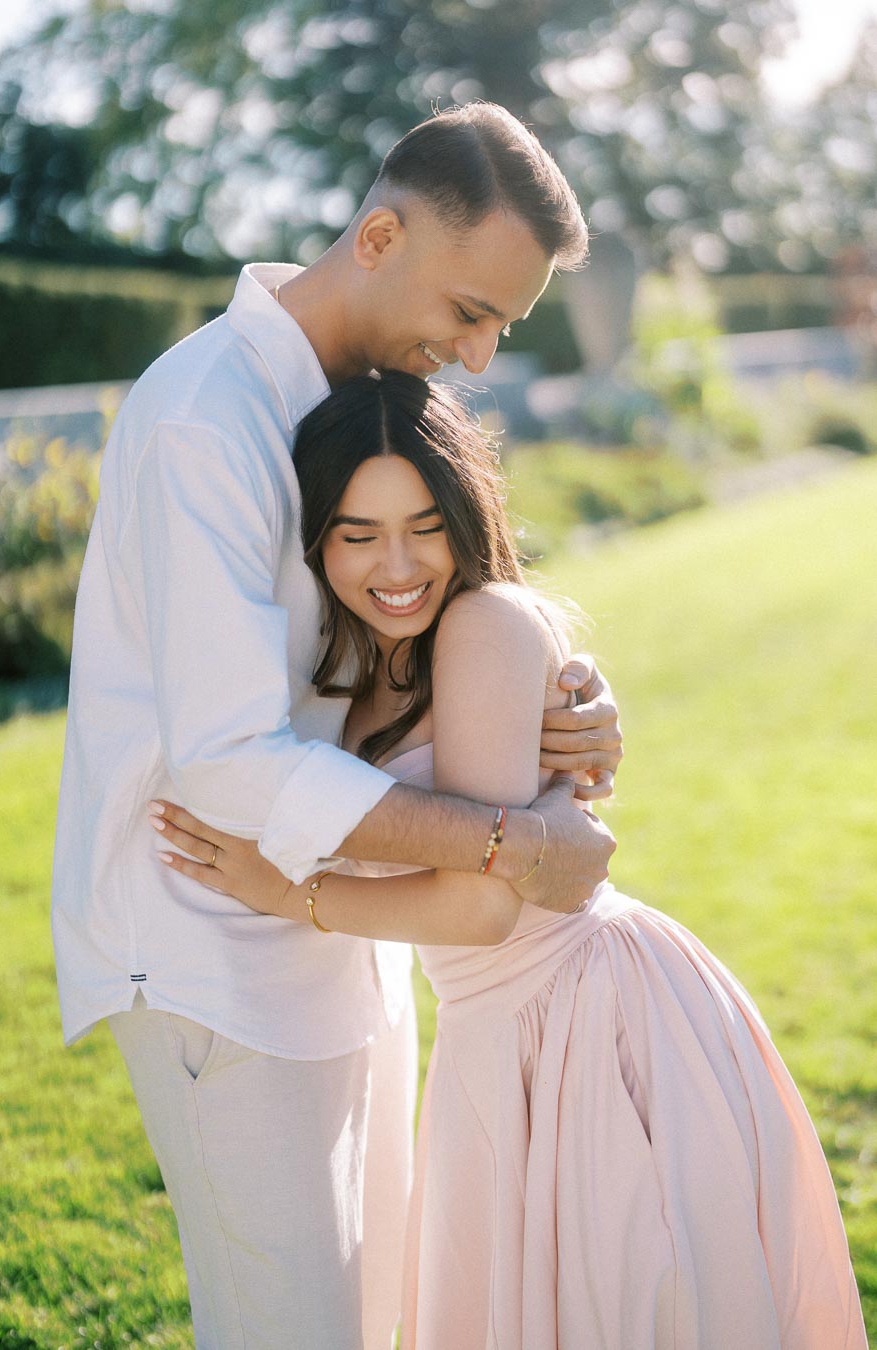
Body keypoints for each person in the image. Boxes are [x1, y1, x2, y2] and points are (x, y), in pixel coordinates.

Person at [51, 103, 624, 1350]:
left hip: (352, 924)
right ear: (378, 236)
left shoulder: (358, 400)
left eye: (502, 329)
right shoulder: (209, 415)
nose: (477, 357)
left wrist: (568, 702)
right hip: (213, 939)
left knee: (378, 1318)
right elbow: (225, 754)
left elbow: (445, 616)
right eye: (469, 313)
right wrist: (501, 845)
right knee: (290, 1326)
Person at [151, 371, 867, 1350]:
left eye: (424, 525)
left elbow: (483, 908)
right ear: (315, 540)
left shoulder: (483, 624)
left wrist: (294, 894)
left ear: (466, 514)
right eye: (358, 533)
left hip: (590, 1020)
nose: (396, 564)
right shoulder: (356, 667)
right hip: (496, 1035)